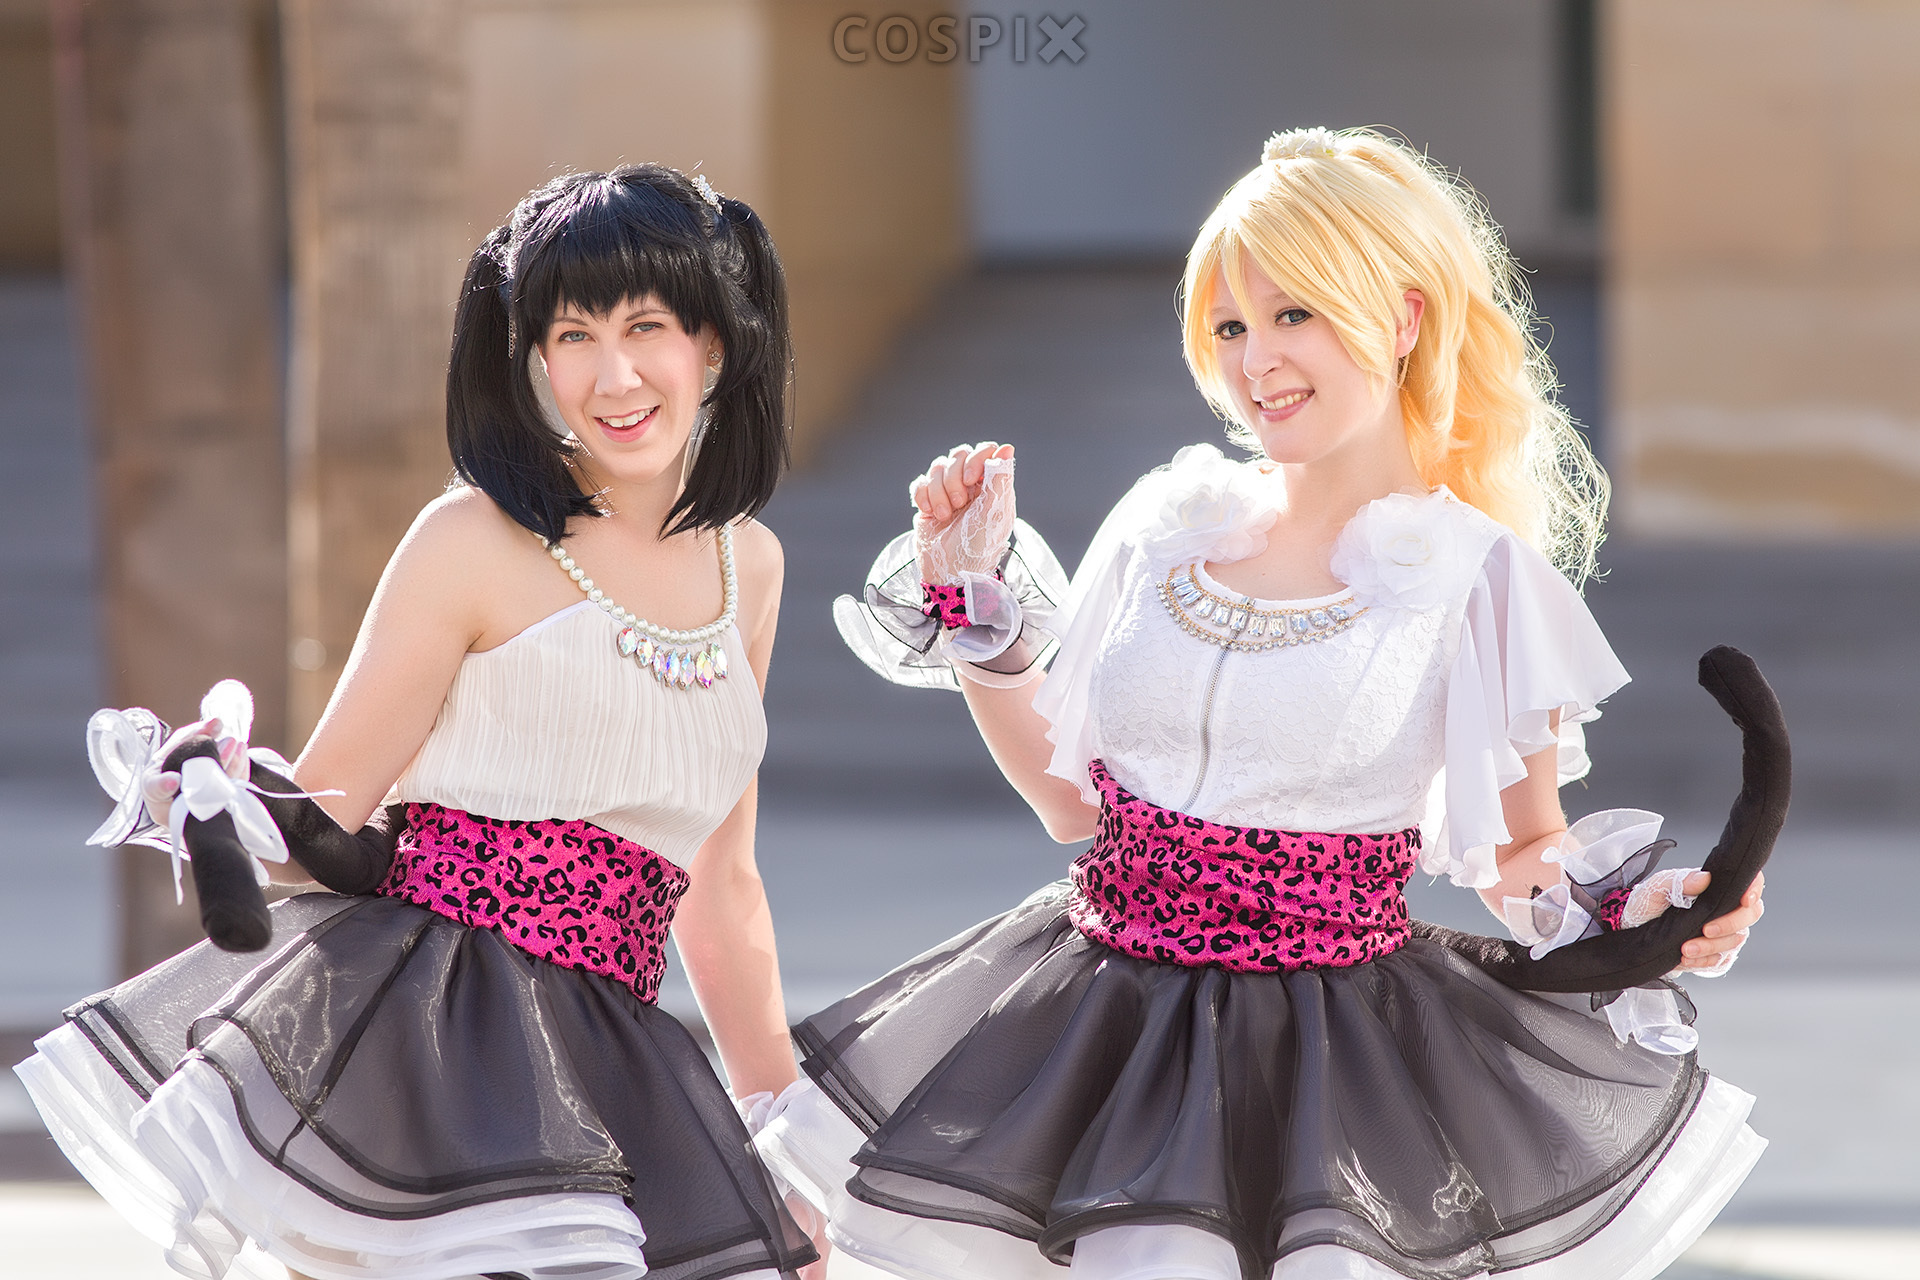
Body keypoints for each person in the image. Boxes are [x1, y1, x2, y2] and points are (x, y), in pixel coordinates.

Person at [755, 127, 1769, 1280]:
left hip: (1328, 1064)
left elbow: (1519, 850)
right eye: (1230, 326)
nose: (1256, 359)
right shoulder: (1165, 524)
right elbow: (1070, 801)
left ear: (1402, 318)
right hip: (1101, 1026)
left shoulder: (1480, 574)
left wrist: (1645, 904)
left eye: (1295, 313)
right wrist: (975, 611)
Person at [15, 165, 821, 1280]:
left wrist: (777, 1134)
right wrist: (211, 789)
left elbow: (721, 887)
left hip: (613, 1051)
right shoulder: (469, 540)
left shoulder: (751, 567)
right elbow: (325, 816)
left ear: (715, 345)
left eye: (647, 327)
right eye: (574, 336)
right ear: (535, 360)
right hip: (429, 1035)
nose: (615, 375)